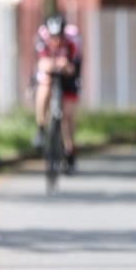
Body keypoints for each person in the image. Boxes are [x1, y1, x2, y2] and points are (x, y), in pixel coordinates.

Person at [33, 13, 82, 174]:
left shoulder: (72, 41)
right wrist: (55, 64)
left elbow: (72, 68)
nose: (56, 41)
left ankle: (70, 151)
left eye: (59, 37)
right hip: (50, 74)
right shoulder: (42, 39)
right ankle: (41, 128)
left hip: (69, 78)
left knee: (67, 115)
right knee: (44, 87)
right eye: (53, 37)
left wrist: (64, 66)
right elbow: (42, 64)